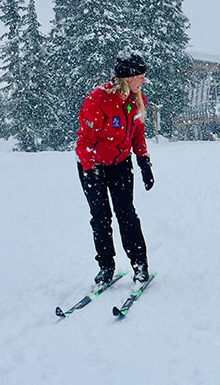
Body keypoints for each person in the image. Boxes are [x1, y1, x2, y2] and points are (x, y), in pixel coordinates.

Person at [75, 53, 155, 285]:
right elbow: (84, 141)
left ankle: (140, 264)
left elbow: (138, 133)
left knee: (126, 213)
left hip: (120, 164)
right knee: (101, 217)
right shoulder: (97, 100)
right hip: (93, 165)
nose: (143, 81)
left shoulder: (137, 100)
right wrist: (90, 169)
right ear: (127, 78)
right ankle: (106, 266)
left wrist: (144, 161)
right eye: (140, 77)